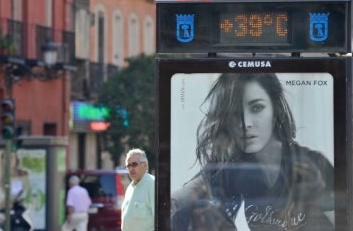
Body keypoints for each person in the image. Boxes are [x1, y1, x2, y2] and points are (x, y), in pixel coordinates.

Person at [171, 73, 334, 231]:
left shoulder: (313, 164)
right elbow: (185, 195)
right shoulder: (235, 169)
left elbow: (344, 221)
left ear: (275, 110)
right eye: (234, 113)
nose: (245, 123)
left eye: (257, 108)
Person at [121, 148, 155, 231]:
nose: (131, 168)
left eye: (134, 164)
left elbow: (161, 221)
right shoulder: (130, 188)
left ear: (145, 165)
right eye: (128, 166)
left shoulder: (153, 184)